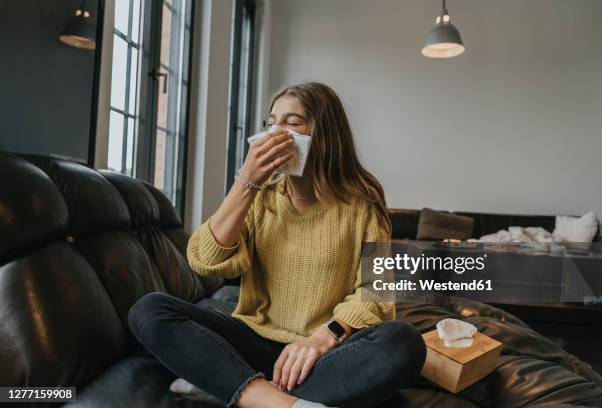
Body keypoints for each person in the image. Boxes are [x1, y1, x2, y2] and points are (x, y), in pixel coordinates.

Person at [127, 82, 426, 408]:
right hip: (252, 340)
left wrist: (323, 337)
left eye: (292, 122)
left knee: (404, 341)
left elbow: (376, 298)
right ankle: (276, 401)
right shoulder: (260, 197)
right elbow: (204, 261)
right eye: (272, 123)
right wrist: (246, 181)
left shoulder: (362, 205)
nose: (275, 132)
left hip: (320, 356)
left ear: (323, 133)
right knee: (149, 310)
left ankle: (233, 386)